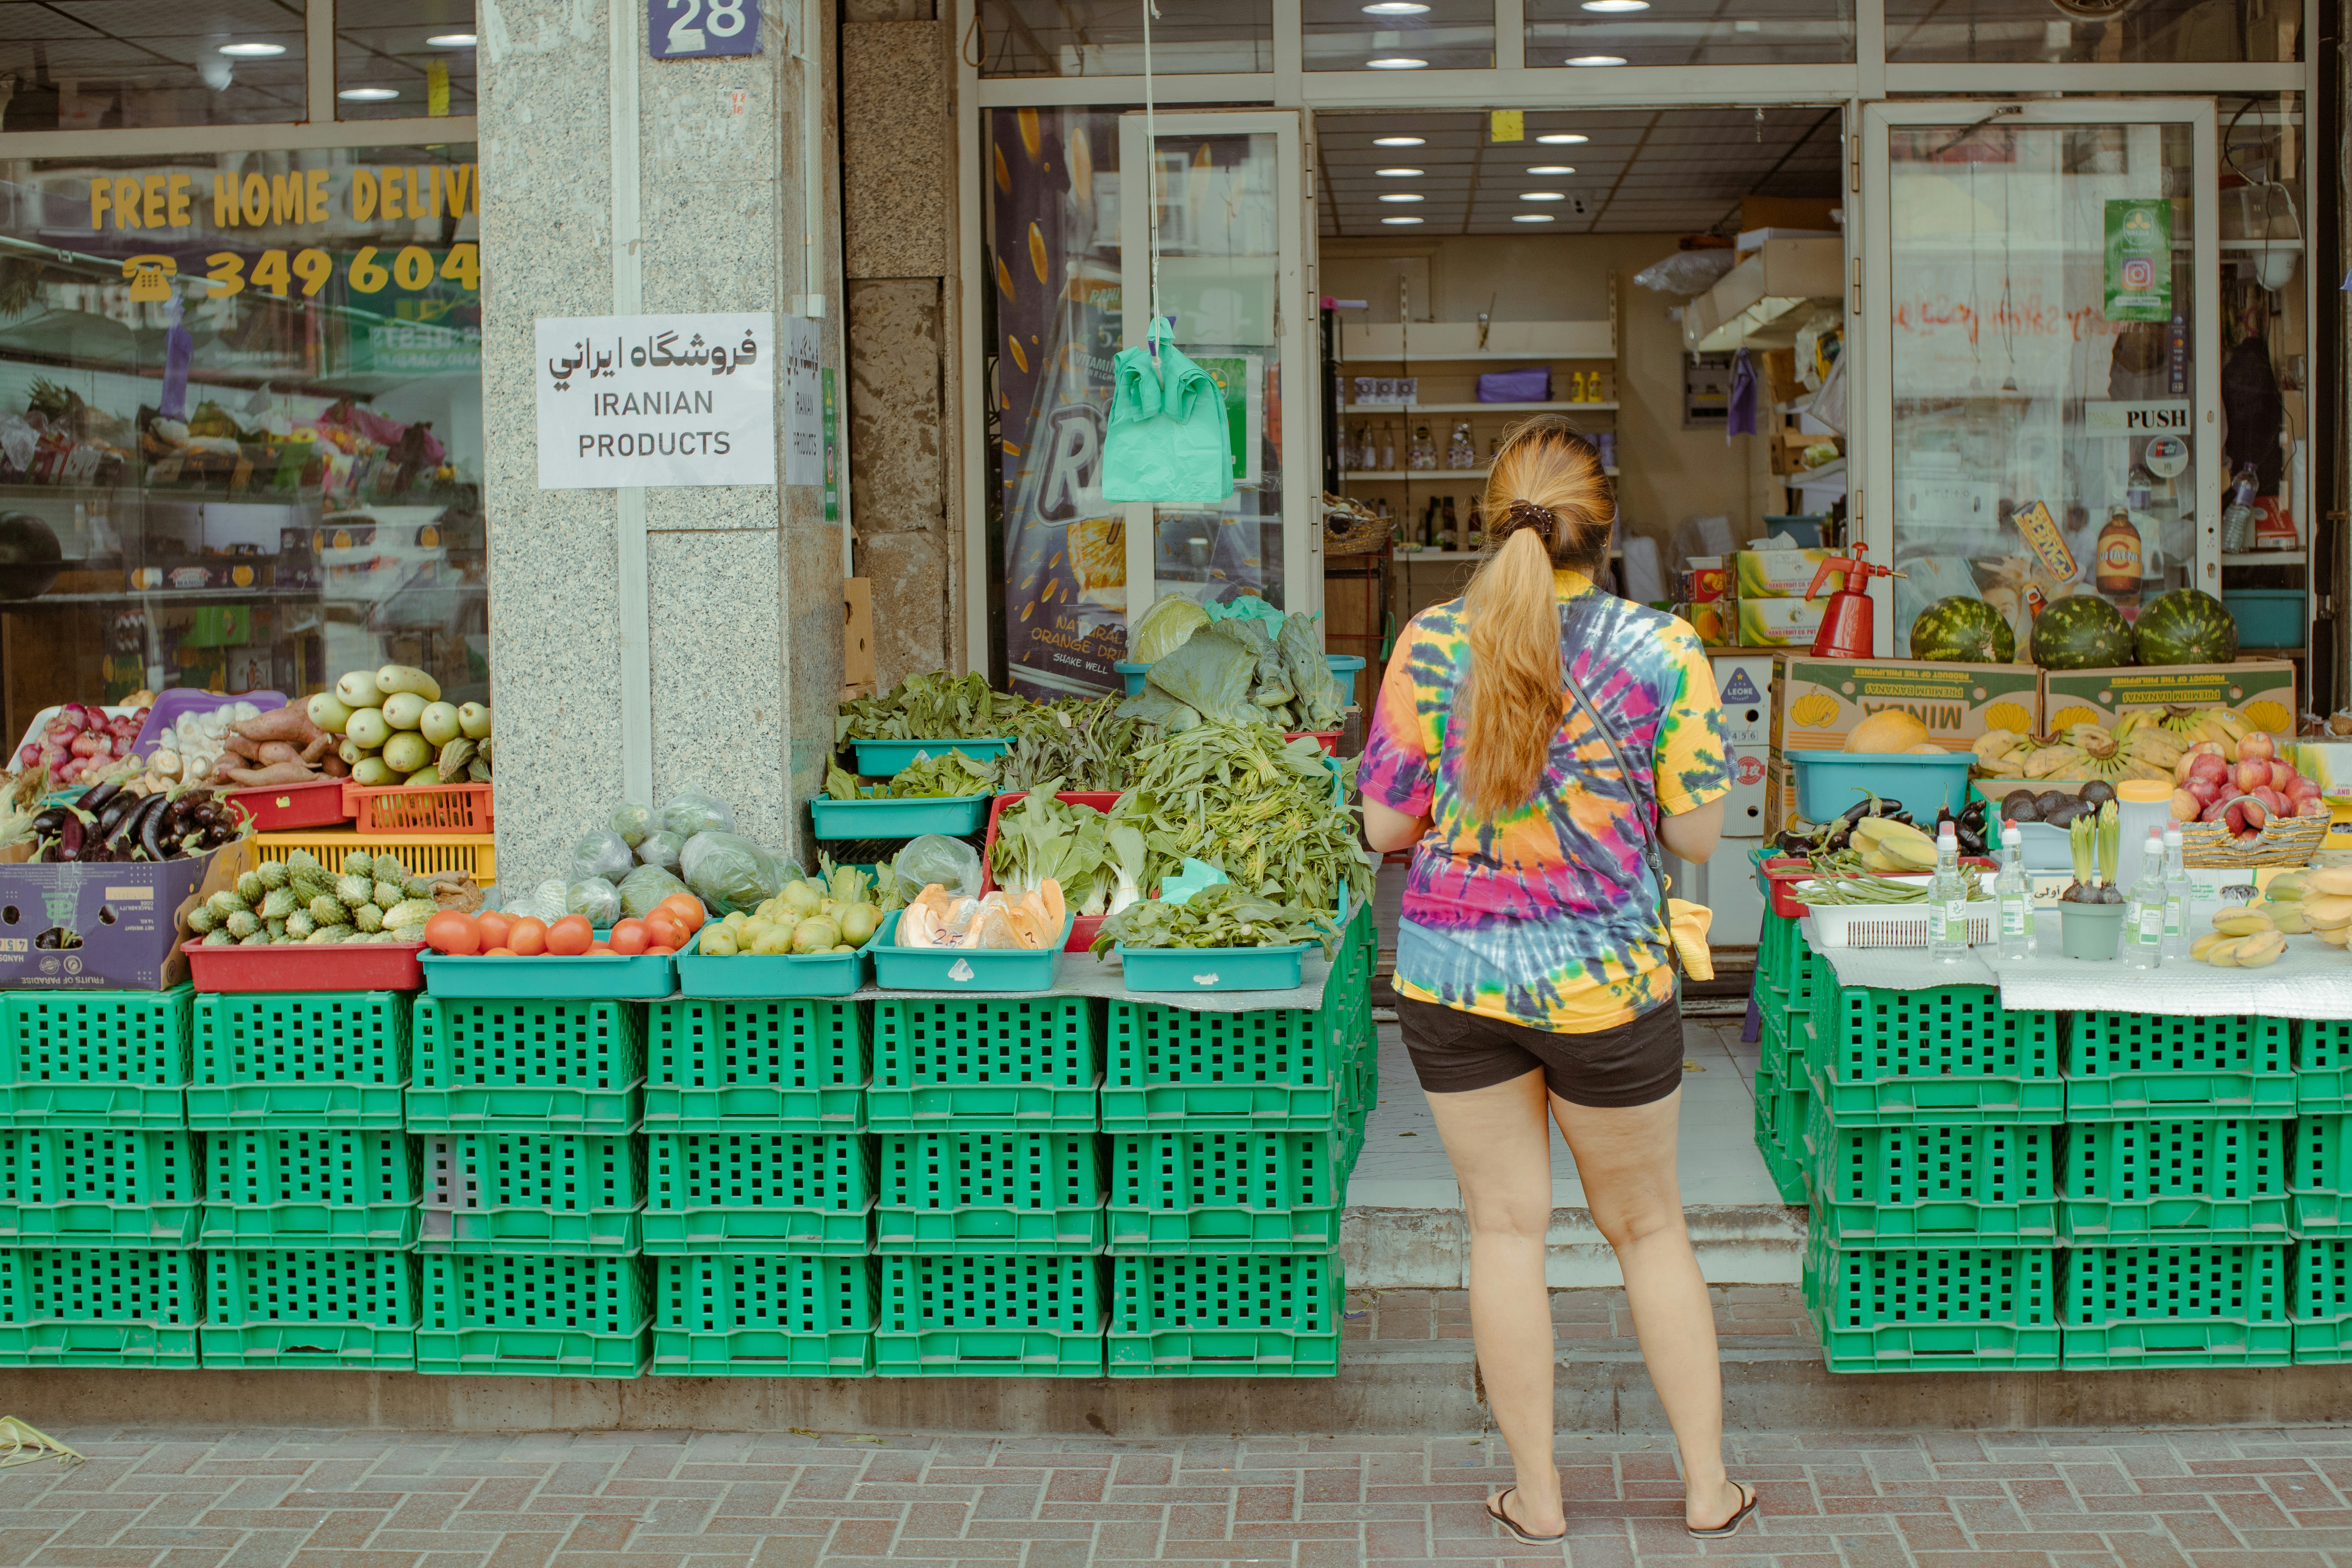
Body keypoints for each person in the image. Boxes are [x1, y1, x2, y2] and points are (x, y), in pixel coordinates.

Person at [1357, 416, 1754, 1547]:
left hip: (1454, 981)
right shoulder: (1662, 649)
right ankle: (1706, 1489)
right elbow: (1693, 827)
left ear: (1494, 522)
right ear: (1606, 529)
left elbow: (1387, 822)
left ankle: (1538, 1497)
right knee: (1651, 1231)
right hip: (1607, 989)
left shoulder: (1433, 642)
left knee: (1505, 1233)